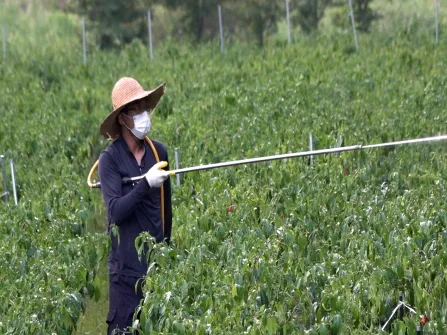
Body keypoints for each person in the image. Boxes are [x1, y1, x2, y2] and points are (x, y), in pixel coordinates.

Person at [97, 77, 172, 334]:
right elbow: (115, 212)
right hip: (125, 274)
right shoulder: (110, 160)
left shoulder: (158, 152)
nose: (143, 115)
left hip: (154, 269)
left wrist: (166, 252)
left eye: (144, 108)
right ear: (122, 118)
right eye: (136, 109)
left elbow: (166, 209)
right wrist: (144, 184)